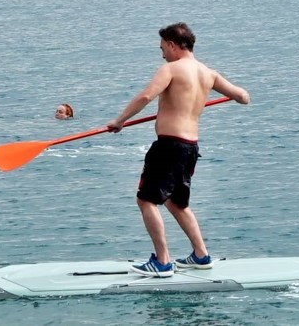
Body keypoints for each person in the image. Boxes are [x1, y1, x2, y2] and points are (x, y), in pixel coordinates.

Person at [106, 22, 250, 278]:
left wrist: (120, 121)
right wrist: (236, 96)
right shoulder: (209, 74)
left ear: (173, 45)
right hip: (190, 147)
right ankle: (201, 255)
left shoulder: (171, 69)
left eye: (162, 48)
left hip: (169, 145)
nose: (161, 53)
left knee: (146, 200)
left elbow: (145, 97)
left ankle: (162, 262)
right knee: (176, 202)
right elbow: (243, 96)